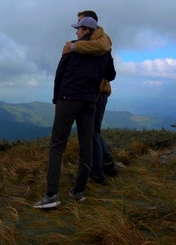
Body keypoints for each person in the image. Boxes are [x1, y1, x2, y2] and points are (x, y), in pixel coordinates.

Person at [33, 16, 112, 209]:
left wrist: (55, 99)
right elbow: (110, 75)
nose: (76, 32)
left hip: (68, 100)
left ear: (86, 30)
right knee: (87, 147)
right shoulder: (104, 52)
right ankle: (78, 191)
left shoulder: (71, 48)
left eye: (78, 29)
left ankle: (51, 195)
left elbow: (59, 75)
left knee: (57, 146)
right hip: (89, 102)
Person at [63, 11, 119, 185]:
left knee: (92, 132)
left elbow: (102, 48)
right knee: (94, 131)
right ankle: (108, 164)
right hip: (92, 92)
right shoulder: (91, 39)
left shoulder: (102, 37)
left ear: (90, 24)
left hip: (98, 91)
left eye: (80, 22)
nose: (77, 26)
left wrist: (72, 46)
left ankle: (97, 172)